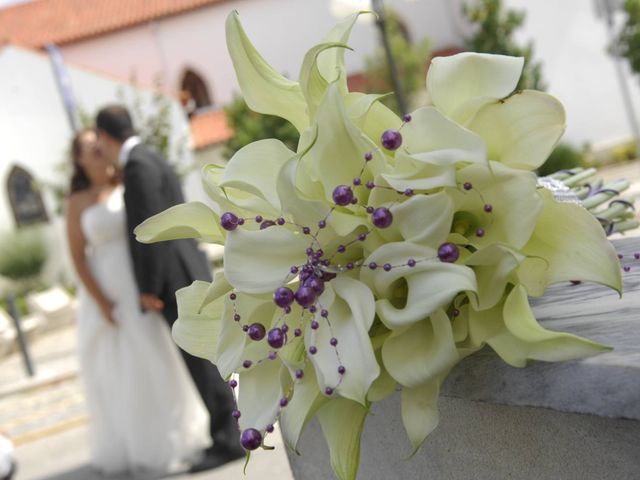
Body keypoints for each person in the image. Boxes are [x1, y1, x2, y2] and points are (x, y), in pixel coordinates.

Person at [95, 106, 244, 472]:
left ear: (105, 137)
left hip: (171, 275)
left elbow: (151, 231)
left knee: (199, 359)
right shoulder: (152, 157)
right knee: (204, 353)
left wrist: (148, 287)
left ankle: (228, 437)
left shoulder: (137, 167)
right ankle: (229, 429)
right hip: (183, 265)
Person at [66, 128, 211, 476]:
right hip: (108, 290)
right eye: (87, 147)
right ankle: (142, 445)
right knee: (124, 371)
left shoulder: (128, 181)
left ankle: (181, 436)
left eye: (97, 142)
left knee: (160, 359)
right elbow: (78, 258)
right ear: (78, 159)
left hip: (140, 284)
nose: (96, 149)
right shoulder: (78, 201)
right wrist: (101, 302)